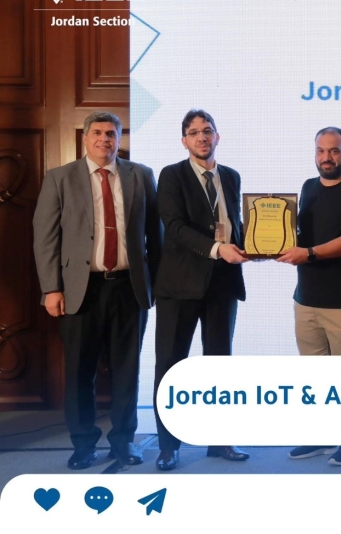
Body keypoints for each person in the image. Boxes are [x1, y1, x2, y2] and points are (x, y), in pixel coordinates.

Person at [33, 111, 162, 469]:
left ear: (119, 139)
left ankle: (124, 441)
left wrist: (156, 285)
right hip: (80, 290)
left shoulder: (141, 175)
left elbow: (156, 234)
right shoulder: (60, 178)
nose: (104, 139)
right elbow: (45, 239)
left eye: (111, 133)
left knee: (127, 370)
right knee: (79, 372)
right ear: (85, 138)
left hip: (129, 288)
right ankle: (84, 444)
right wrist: (51, 288)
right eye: (98, 133)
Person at [152, 109, 249, 471]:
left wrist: (259, 246)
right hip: (179, 286)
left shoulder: (231, 176)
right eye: (194, 132)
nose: (202, 137)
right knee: (171, 366)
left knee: (219, 366)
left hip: (222, 284)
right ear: (184, 141)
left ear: (217, 136)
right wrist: (217, 249)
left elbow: (233, 223)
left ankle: (220, 441)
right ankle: (168, 446)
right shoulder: (172, 175)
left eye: (208, 130)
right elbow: (175, 227)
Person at [280, 127, 341, 467]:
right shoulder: (308, 187)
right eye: (321, 151)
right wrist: (266, 242)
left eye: (334, 151)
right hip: (306, 298)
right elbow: (297, 233)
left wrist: (308, 253)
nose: (327, 157)